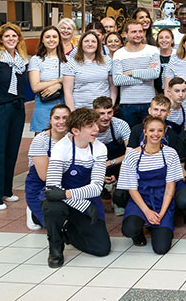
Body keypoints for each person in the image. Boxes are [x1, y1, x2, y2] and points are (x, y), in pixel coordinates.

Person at [42, 108, 110, 267]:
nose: (96, 129)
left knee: (102, 248)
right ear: (75, 131)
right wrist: (83, 204)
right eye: (90, 126)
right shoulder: (61, 148)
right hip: (64, 203)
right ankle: (55, 247)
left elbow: (96, 188)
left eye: (96, 124)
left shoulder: (99, 148)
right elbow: (52, 189)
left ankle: (69, 232)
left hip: (82, 198)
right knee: (52, 208)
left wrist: (67, 195)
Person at [117, 116, 181, 253]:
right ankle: (139, 230)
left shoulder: (170, 154)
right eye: (151, 130)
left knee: (161, 249)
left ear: (164, 133)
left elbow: (170, 187)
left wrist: (161, 213)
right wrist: (147, 211)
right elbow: (132, 189)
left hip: (162, 199)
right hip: (141, 199)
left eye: (160, 130)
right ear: (145, 132)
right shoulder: (133, 156)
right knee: (129, 229)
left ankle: (154, 225)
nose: (155, 134)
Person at [25, 104, 70, 230]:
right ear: (50, 119)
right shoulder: (40, 141)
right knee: (58, 226)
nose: (61, 122)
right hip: (41, 188)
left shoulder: (72, 137)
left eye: (65, 118)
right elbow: (44, 176)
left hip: (65, 183)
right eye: (57, 118)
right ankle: (33, 212)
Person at [113, 20, 160, 128]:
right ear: (125, 34)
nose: (138, 35)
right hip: (127, 104)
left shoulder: (152, 50)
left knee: (150, 136)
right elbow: (117, 80)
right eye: (134, 32)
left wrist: (130, 72)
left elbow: (155, 73)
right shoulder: (119, 54)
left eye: (140, 31)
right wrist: (144, 76)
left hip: (149, 102)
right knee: (130, 139)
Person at [62, 30, 116, 110]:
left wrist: (111, 105)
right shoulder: (71, 63)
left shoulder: (107, 60)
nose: (90, 44)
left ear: (98, 45)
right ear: (81, 44)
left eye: (93, 41)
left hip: (103, 110)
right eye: (86, 41)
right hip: (80, 110)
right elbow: (68, 92)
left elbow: (113, 86)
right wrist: (72, 113)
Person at [93, 96, 129, 215]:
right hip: (94, 164)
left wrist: (110, 163)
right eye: (101, 113)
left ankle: (118, 197)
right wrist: (99, 174)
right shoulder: (88, 128)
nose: (106, 117)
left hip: (116, 163)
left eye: (109, 112)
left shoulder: (120, 125)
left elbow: (131, 153)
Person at [29, 26, 67, 133]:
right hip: (43, 104)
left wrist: (59, 86)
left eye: (54, 37)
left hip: (62, 103)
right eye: (47, 37)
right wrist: (58, 81)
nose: (51, 39)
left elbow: (72, 83)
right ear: (42, 40)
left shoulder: (66, 60)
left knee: (61, 139)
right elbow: (35, 87)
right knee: (42, 139)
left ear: (59, 40)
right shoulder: (36, 60)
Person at [155, 27, 174, 95]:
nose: (164, 40)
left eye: (167, 37)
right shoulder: (154, 56)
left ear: (172, 40)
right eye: (161, 38)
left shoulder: (178, 56)